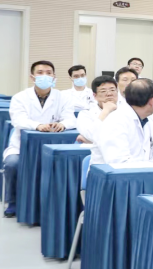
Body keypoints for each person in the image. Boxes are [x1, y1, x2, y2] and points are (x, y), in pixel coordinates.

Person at [3, 61, 75, 216]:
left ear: (54, 76)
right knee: (12, 164)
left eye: (49, 73)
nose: (45, 76)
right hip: (21, 146)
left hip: (53, 146)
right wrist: (37, 125)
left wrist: (62, 124)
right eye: (40, 73)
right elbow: (18, 120)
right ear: (32, 77)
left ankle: (51, 204)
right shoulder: (20, 97)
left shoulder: (63, 97)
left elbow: (71, 119)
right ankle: (12, 201)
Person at [97, 79, 153, 166]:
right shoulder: (116, 121)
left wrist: (152, 165)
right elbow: (119, 162)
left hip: (143, 170)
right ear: (152, 101)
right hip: (117, 173)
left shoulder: (147, 120)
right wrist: (149, 166)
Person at [75, 76, 119, 151]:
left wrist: (90, 141)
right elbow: (91, 135)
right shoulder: (85, 114)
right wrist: (105, 111)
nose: (109, 94)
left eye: (112, 90)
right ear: (95, 96)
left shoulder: (126, 111)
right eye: (103, 91)